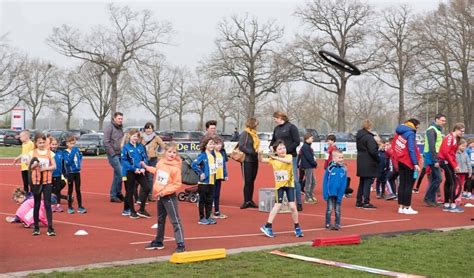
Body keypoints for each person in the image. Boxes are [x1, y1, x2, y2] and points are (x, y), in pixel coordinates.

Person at [143, 142, 185, 253]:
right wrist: (147, 168)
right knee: (160, 220)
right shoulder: (161, 162)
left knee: (175, 220)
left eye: (174, 152)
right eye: (169, 152)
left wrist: (165, 192)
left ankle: (180, 243)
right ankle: (159, 241)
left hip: (169, 196)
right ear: (165, 152)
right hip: (159, 195)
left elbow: (177, 184)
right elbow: (157, 172)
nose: (172, 154)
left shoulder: (176, 168)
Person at [259, 140, 303, 238]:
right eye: (280, 149)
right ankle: (267, 226)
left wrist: (274, 157)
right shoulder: (273, 161)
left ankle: (297, 227)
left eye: (283, 148)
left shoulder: (289, 156)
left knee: (292, 206)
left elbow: (288, 161)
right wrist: (260, 154)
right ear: (276, 151)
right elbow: (261, 160)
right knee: (277, 205)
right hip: (279, 186)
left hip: (289, 185)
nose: (283, 150)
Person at [270, 111, 303, 211]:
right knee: (282, 178)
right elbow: (273, 140)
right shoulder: (276, 129)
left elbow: (296, 141)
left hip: (291, 157)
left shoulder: (291, 127)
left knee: (294, 180)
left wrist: (285, 151)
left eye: (275, 118)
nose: (274, 120)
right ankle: (283, 201)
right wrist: (271, 146)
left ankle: (299, 202)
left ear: (280, 117)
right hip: (280, 158)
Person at [27, 133, 57, 236]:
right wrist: (35, 165)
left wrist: (44, 168)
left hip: (47, 181)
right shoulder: (32, 153)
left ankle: (50, 227)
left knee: (48, 204)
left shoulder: (50, 153)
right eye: (40, 142)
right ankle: (36, 227)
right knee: (37, 203)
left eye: (44, 142)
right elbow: (29, 166)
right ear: (36, 142)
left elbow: (54, 166)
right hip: (36, 182)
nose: (42, 144)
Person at [393, 119, 421, 215]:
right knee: (408, 185)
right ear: (414, 125)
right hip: (408, 161)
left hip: (400, 160)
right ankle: (407, 207)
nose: (417, 129)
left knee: (402, 184)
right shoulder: (410, 133)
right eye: (417, 127)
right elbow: (411, 149)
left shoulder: (399, 131)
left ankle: (401, 207)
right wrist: (415, 163)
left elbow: (395, 145)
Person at [121, 129, 151, 219]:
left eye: (137, 136)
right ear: (130, 136)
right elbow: (124, 161)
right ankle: (132, 211)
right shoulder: (125, 147)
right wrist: (134, 169)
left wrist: (143, 168)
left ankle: (141, 209)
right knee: (130, 191)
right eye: (134, 136)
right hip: (130, 172)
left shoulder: (140, 146)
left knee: (147, 188)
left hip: (140, 171)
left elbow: (144, 158)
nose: (135, 138)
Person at [191, 135, 221, 225]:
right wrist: (201, 173)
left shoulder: (212, 156)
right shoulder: (202, 155)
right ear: (205, 145)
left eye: (213, 144)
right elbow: (194, 164)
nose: (212, 146)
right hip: (203, 183)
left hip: (212, 181)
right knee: (202, 200)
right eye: (210, 144)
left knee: (209, 200)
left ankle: (208, 216)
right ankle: (201, 217)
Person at [438, 123, 465, 213]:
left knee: (449, 182)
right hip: (445, 161)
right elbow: (446, 152)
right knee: (453, 182)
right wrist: (455, 165)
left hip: (448, 162)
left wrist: (455, 164)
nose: (462, 133)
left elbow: (452, 154)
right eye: (461, 131)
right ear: (456, 129)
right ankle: (452, 205)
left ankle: (446, 203)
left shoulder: (455, 139)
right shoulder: (449, 137)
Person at [355, 119, 380, 209]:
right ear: (370, 126)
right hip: (369, 161)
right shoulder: (369, 137)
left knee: (362, 182)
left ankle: (359, 201)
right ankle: (366, 202)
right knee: (367, 182)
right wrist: (378, 159)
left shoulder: (359, 136)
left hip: (361, 160)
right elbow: (373, 151)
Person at [423, 113, 447, 207]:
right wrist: (435, 160)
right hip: (432, 157)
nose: (444, 122)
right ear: (436, 119)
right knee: (438, 178)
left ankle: (432, 200)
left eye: (444, 121)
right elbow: (432, 146)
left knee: (434, 178)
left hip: (436, 156)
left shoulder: (437, 130)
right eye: (442, 120)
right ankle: (428, 198)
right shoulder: (431, 130)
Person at [238, 118, 260, 209]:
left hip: (255, 159)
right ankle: (246, 201)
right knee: (247, 181)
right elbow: (241, 146)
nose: (257, 125)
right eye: (256, 124)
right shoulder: (245, 133)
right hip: (247, 160)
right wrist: (251, 152)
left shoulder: (254, 134)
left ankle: (250, 200)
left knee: (252, 181)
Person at [322, 149, 347, 230]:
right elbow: (325, 182)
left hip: (338, 194)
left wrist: (341, 195)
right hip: (330, 193)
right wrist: (325, 193)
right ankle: (328, 223)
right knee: (329, 209)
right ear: (334, 159)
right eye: (339, 157)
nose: (341, 159)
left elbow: (344, 183)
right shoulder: (329, 169)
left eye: (342, 157)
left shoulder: (344, 170)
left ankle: (337, 223)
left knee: (337, 210)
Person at [141, 122, 165, 202]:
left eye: (150, 128)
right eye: (147, 128)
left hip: (153, 159)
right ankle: (142, 195)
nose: (148, 130)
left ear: (152, 129)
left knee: (150, 178)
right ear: (145, 129)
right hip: (143, 159)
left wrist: (159, 154)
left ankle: (150, 195)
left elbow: (163, 146)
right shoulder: (141, 137)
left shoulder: (156, 137)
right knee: (143, 177)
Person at [104, 112, 125, 203]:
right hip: (113, 155)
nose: (120, 120)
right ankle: (113, 194)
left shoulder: (120, 128)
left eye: (121, 119)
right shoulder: (109, 127)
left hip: (121, 154)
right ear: (114, 118)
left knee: (118, 175)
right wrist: (112, 153)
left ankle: (118, 193)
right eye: (119, 118)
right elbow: (106, 141)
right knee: (120, 174)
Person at [64, 136, 86, 214]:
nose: (73, 145)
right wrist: (73, 152)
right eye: (71, 144)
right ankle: (70, 206)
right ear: (67, 144)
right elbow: (68, 162)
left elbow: (79, 159)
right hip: (70, 173)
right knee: (70, 190)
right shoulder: (65, 152)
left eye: (74, 143)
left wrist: (79, 162)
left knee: (78, 189)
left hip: (77, 173)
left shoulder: (76, 150)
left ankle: (80, 206)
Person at [50, 137, 68, 212]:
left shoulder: (61, 153)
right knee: (50, 190)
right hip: (50, 175)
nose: (54, 146)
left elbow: (63, 164)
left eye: (55, 144)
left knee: (57, 190)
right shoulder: (48, 153)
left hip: (58, 175)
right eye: (52, 144)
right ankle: (52, 205)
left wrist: (65, 174)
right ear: (50, 145)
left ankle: (58, 205)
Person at [213, 136, 228, 218]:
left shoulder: (221, 153)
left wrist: (225, 175)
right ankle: (209, 212)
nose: (219, 146)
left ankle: (217, 211)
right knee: (211, 195)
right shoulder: (211, 153)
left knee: (217, 195)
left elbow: (224, 166)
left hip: (219, 176)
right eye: (216, 144)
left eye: (220, 144)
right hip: (212, 177)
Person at [299, 133, 317, 204]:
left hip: (310, 166)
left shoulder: (307, 146)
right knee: (309, 182)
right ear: (307, 139)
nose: (312, 139)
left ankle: (310, 194)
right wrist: (314, 163)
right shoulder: (305, 147)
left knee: (313, 181)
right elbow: (309, 157)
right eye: (311, 138)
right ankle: (307, 197)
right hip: (307, 166)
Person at [455, 139, 471, 205]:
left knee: (461, 185)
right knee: (456, 185)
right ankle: (455, 198)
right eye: (462, 146)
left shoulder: (466, 154)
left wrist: (470, 171)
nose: (463, 148)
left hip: (464, 172)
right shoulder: (455, 153)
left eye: (465, 146)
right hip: (457, 172)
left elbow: (468, 163)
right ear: (458, 145)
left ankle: (459, 198)